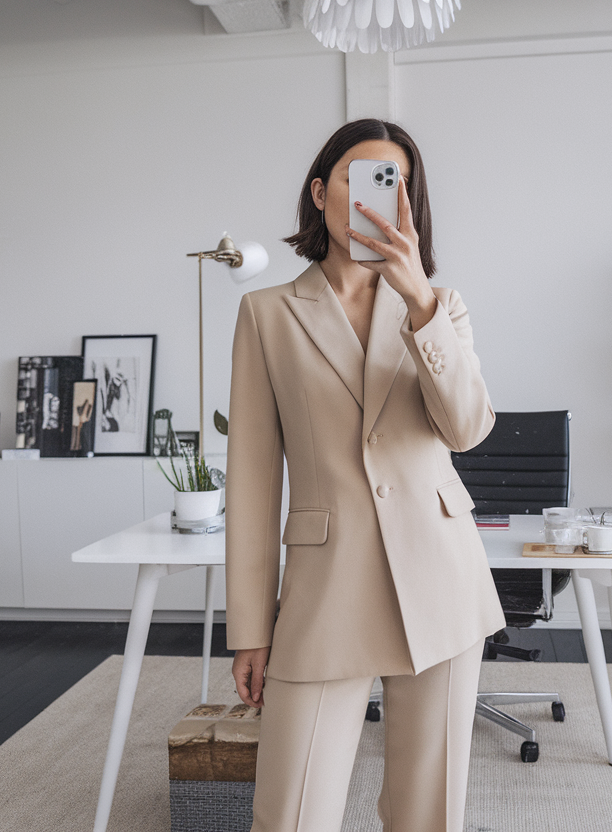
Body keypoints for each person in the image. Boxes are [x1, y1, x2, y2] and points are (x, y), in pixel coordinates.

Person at [225, 119, 506, 832]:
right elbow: (254, 482)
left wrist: (420, 303)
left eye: (398, 181)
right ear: (321, 192)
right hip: (327, 593)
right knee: (290, 814)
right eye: (361, 175)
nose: (382, 193)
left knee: (426, 815)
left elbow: (467, 430)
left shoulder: (444, 310)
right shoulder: (266, 315)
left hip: (441, 584)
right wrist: (250, 628)